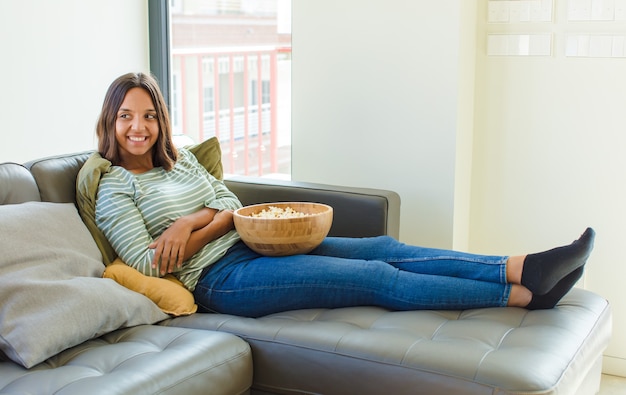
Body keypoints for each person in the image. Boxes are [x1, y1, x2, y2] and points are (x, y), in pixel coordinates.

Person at [93, 72, 595, 318]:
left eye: (149, 115)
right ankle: (524, 296)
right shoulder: (114, 186)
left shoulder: (183, 163)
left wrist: (190, 223)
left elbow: (231, 206)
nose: (140, 128)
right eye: (127, 117)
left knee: (385, 248)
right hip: (222, 280)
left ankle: (524, 265)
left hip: (253, 244)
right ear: (111, 123)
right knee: (376, 277)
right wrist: (207, 225)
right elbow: (149, 263)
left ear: (161, 120)